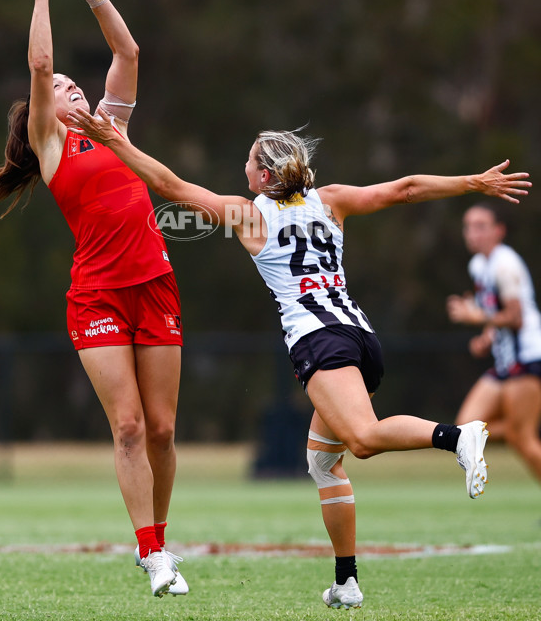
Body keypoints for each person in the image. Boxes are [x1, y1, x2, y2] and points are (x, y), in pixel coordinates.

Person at [64, 109, 531, 609]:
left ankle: (458, 437)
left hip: (319, 342)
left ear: (264, 176)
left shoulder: (249, 215)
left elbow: (170, 186)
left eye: (249, 162)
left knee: (364, 439)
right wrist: (472, 182)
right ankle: (346, 582)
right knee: (324, 462)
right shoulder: (330, 201)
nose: (244, 168)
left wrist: (111, 139)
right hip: (360, 337)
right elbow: (407, 188)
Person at [0, 0, 187, 598]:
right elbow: (39, 63)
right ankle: (153, 557)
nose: (69, 84)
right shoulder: (56, 146)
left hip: (154, 284)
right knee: (126, 426)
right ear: (47, 117)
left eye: (71, 81)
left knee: (163, 429)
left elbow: (128, 52)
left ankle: (162, 535)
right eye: (61, 87)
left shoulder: (112, 128)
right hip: (96, 297)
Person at [447, 203, 541, 484]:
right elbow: (496, 312)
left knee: (521, 438)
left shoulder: (504, 263)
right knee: (464, 428)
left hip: (527, 358)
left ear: (499, 231)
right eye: (468, 227)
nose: (473, 233)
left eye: (481, 226)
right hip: (505, 362)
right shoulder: (478, 265)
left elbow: (515, 317)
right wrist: (487, 337)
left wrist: (476, 317)